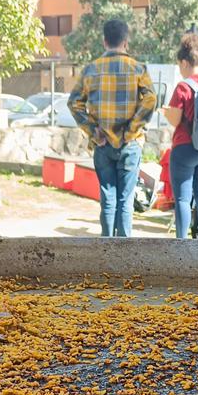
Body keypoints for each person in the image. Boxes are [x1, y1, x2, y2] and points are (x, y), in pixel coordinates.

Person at [68, 19, 157, 237]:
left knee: (107, 199)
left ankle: (105, 248)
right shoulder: (138, 69)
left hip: (102, 144)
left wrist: (93, 131)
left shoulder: (91, 70)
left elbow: (74, 103)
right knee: (125, 201)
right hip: (130, 144)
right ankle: (124, 254)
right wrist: (131, 130)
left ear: (104, 41)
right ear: (126, 42)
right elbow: (150, 99)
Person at [162, 33, 198, 240]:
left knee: (183, 200)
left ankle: (182, 244)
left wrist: (166, 112)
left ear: (185, 62)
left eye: (179, 65)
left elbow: (176, 120)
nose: (179, 69)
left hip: (185, 148)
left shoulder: (183, 86)